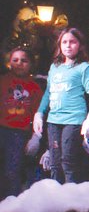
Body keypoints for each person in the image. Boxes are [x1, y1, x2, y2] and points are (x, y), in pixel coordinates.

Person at [33, 28, 89, 184]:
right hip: (54, 121)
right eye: (64, 42)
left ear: (80, 45)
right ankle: (58, 203)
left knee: (68, 162)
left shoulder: (84, 68)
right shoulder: (54, 67)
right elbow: (48, 94)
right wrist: (39, 113)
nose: (68, 45)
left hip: (73, 120)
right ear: (59, 45)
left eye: (72, 42)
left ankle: (72, 203)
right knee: (55, 164)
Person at [0, 48, 43, 198]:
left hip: (18, 133)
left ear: (31, 64)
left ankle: (10, 208)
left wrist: (35, 137)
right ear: (9, 63)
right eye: (15, 60)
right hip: (1, 128)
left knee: (12, 171)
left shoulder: (34, 87)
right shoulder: (3, 81)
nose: (19, 63)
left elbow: (39, 113)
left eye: (24, 61)